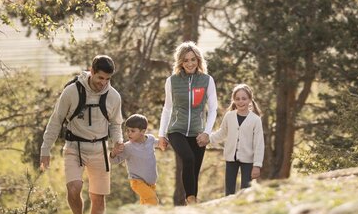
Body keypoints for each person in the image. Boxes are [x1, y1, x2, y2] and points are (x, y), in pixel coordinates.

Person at [40, 55, 123, 214]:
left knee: (98, 198)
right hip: (74, 147)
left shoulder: (113, 96)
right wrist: (45, 149)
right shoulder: (71, 92)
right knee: (74, 188)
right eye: (100, 77)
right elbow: (56, 120)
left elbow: (115, 124)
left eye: (108, 79)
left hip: (100, 149)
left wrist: (118, 141)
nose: (103, 82)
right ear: (91, 71)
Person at [158, 41, 218, 205]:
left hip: (198, 132)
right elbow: (167, 108)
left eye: (193, 59)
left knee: (195, 170)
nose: (190, 63)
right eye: (186, 60)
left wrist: (207, 133)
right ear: (180, 62)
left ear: (198, 60)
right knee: (188, 159)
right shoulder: (172, 81)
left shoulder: (207, 80)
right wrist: (161, 134)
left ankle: (192, 205)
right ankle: (190, 199)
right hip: (176, 129)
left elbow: (213, 109)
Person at [210, 84, 264, 195]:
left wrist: (257, 165)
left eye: (244, 98)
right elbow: (222, 133)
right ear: (233, 100)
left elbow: (259, 144)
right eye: (237, 99)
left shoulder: (255, 120)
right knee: (229, 191)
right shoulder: (229, 116)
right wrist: (208, 139)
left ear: (250, 100)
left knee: (246, 191)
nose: (240, 101)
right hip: (230, 159)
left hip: (248, 161)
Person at [110, 114, 164, 205]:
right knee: (152, 200)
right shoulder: (128, 147)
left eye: (132, 131)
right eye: (127, 130)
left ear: (143, 131)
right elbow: (114, 161)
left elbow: (159, 143)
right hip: (137, 181)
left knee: (145, 204)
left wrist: (165, 141)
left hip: (151, 183)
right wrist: (114, 153)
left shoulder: (150, 139)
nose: (129, 133)